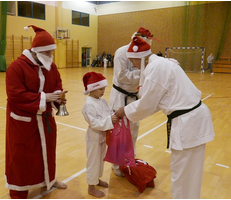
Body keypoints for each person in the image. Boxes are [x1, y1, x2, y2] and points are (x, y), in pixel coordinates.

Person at [116, 36, 215, 199]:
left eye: (133, 62)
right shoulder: (161, 64)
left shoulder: (156, 70)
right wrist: (129, 110)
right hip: (195, 118)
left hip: (187, 123)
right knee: (192, 171)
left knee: (180, 172)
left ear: (140, 59)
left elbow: (147, 103)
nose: (133, 65)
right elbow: (156, 103)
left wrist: (125, 111)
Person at [5, 25, 67, 199]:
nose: (50, 56)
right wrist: (44, 98)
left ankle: (50, 180)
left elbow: (57, 84)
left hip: (46, 120)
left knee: (48, 152)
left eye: (51, 52)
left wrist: (57, 98)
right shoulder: (16, 68)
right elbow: (16, 95)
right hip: (23, 123)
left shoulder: (51, 66)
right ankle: (18, 191)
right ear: (36, 51)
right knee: (22, 159)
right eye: (47, 53)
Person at [108, 27, 156, 177]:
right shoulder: (121, 52)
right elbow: (122, 76)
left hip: (134, 97)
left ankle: (129, 159)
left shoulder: (144, 55)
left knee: (133, 131)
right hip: (120, 97)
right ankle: (117, 166)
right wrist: (143, 72)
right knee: (119, 133)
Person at [82, 72, 119, 198]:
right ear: (92, 88)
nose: (103, 91)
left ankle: (96, 180)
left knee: (101, 159)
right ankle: (91, 187)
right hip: (94, 136)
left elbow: (108, 113)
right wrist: (109, 121)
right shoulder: (88, 105)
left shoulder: (102, 101)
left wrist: (114, 116)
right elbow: (93, 123)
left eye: (104, 89)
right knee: (93, 160)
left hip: (103, 135)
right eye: (100, 89)